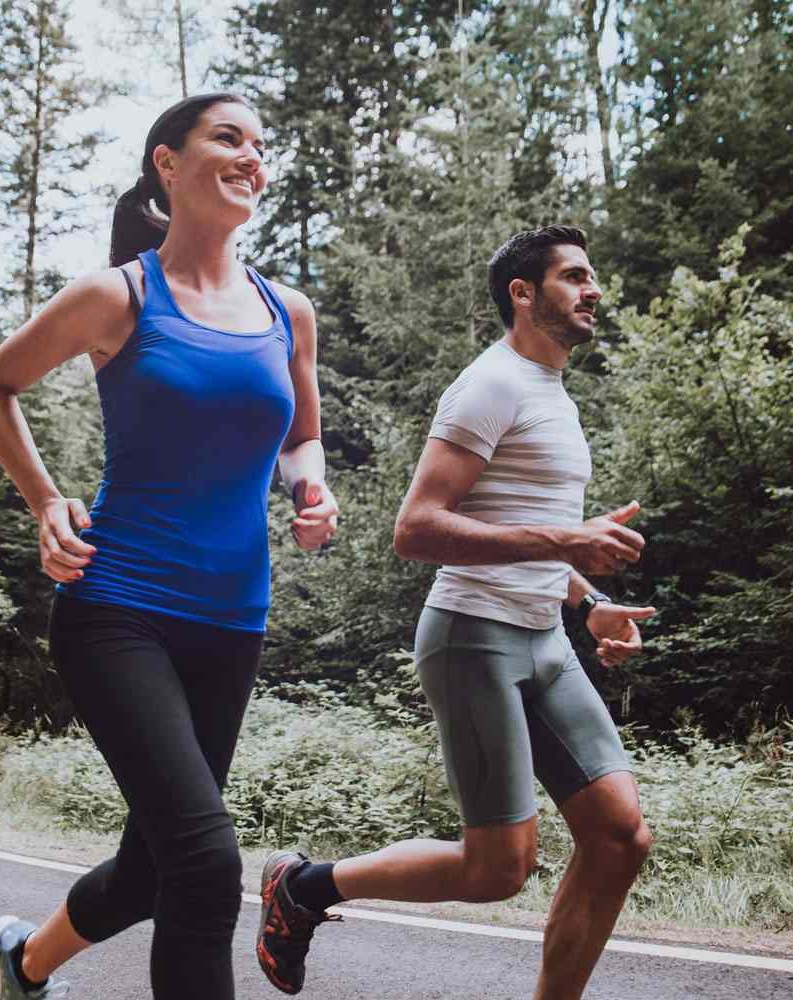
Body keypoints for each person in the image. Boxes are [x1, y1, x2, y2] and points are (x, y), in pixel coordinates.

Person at [0, 92, 338, 1000]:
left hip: (233, 618)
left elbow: (301, 437)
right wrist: (45, 500)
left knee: (153, 868)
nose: (252, 157)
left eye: (260, 145)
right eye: (228, 138)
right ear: (167, 164)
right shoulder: (120, 295)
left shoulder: (287, 311)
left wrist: (310, 487)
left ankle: (24, 963)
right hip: (117, 608)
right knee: (206, 865)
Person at [256, 225, 656, 1000]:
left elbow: (528, 529)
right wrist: (569, 541)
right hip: (474, 637)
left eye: (591, 276)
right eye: (575, 277)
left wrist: (590, 601)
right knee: (498, 869)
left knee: (619, 837)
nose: (594, 290)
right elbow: (416, 529)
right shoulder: (492, 384)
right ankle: (305, 886)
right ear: (523, 293)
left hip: (544, 637)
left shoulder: (553, 393)